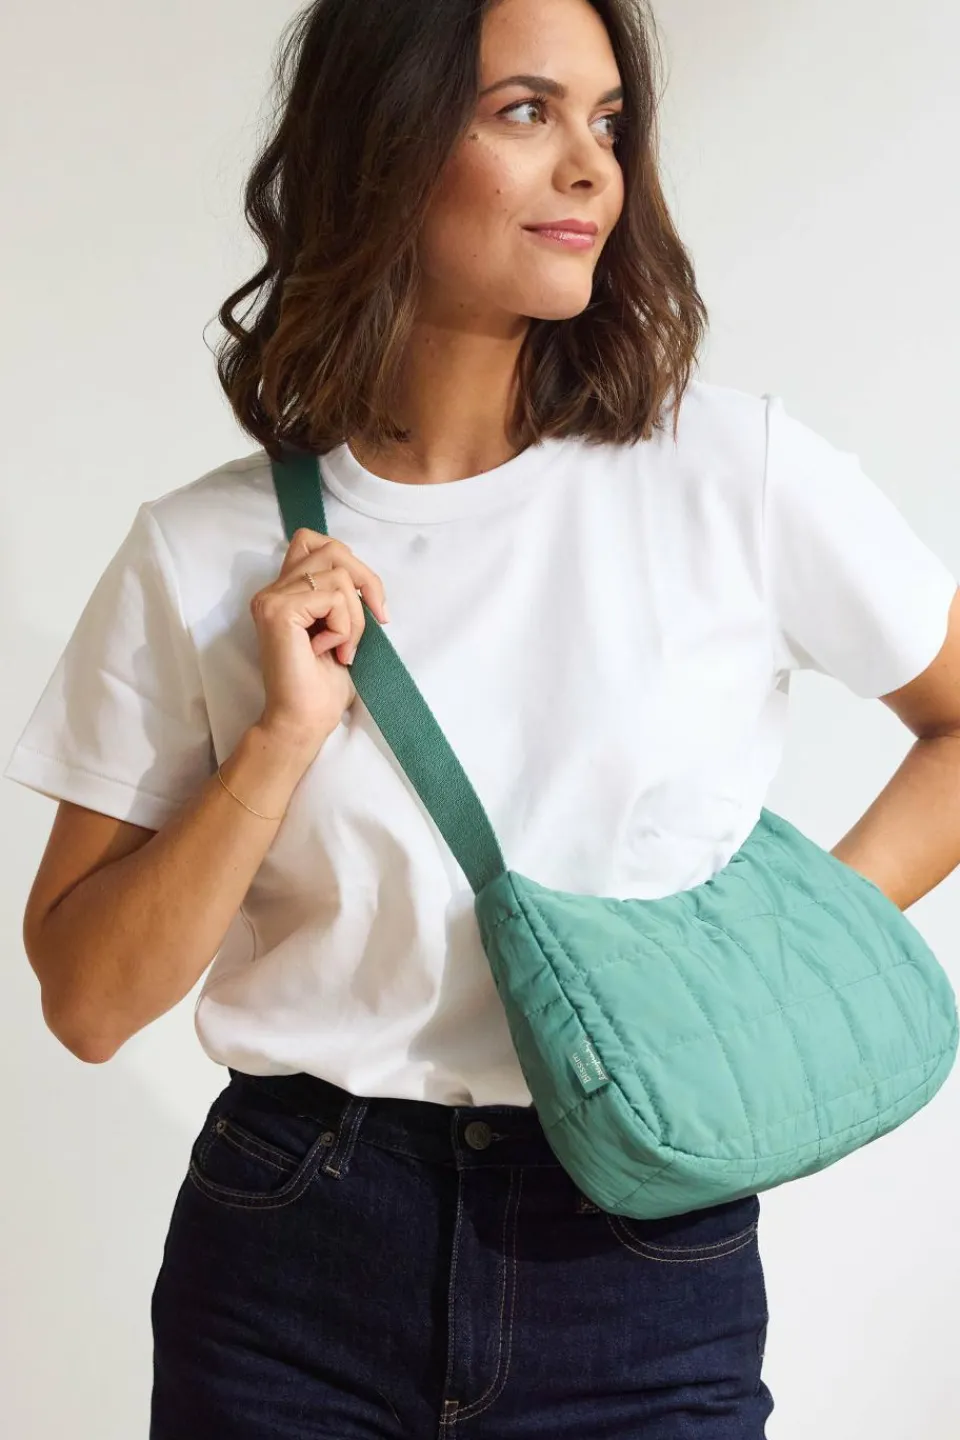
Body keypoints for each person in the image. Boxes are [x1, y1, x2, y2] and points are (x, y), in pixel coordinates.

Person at [6, 0, 960, 1434]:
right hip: (292, 1259)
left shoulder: (730, 474)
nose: (589, 167)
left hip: (640, 1251)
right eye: (524, 111)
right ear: (384, 144)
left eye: (608, 122)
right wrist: (279, 741)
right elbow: (87, 1003)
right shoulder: (202, 550)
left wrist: (767, 978)